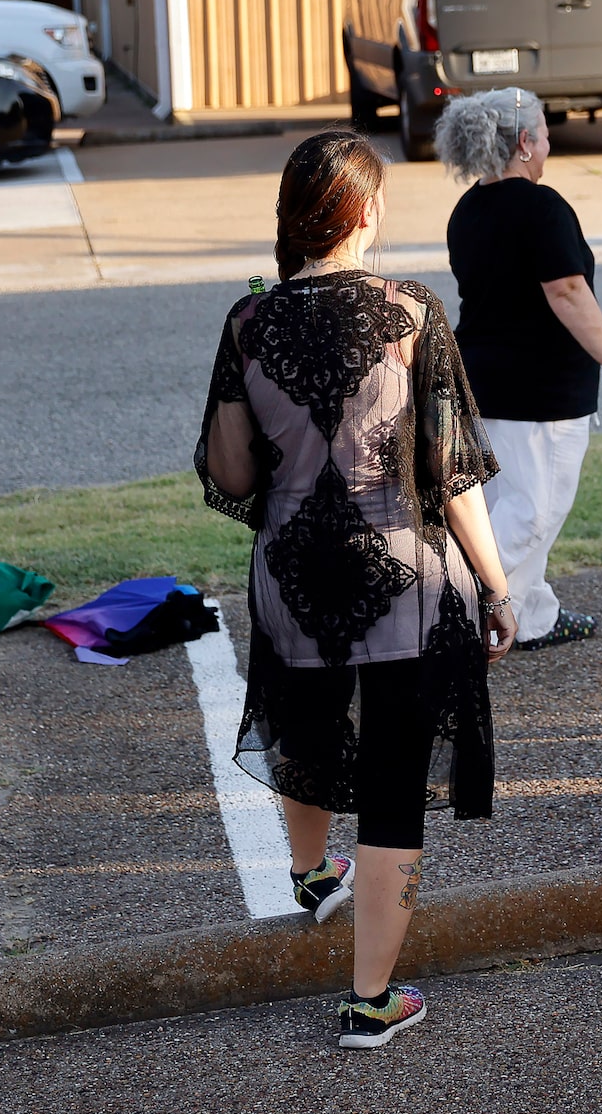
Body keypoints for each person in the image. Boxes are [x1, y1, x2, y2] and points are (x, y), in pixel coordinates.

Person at [196, 129, 517, 1048]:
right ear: (367, 214)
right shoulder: (410, 311)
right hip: (404, 577)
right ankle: (371, 999)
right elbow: (451, 473)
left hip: (291, 573)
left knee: (302, 719)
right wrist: (497, 589)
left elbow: (231, 470)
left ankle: (309, 873)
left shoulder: (247, 321)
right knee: (392, 785)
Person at [438, 88, 602, 652]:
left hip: (482, 380)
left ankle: (534, 614)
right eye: (544, 134)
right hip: (539, 393)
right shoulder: (543, 209)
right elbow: (567, 291)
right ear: (524, 143)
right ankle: (461, 611)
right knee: (533, 512)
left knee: (501, 502)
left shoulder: (468, 209)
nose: (548, 145)